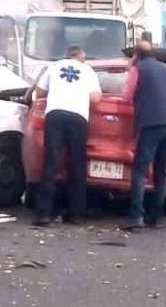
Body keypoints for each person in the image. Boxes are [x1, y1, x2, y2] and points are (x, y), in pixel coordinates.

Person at [120, 41, 166, 230]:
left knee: (139, 171)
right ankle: (156, 217)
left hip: (151, 124)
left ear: (136, 55)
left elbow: (126, 96)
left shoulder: (138, 69)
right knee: (160, 171)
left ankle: (136, 217)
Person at [34, 46, 102, 226]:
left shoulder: (54, 66)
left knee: (51, 162)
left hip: (55, 115)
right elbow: (96, 99)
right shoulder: (88, 70)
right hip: (78, 117)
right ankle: (76, 214)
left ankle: (44, 213)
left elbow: (39, 93)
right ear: (81, 58)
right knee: (77, 164)